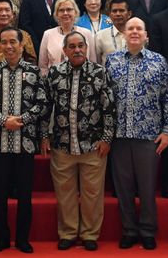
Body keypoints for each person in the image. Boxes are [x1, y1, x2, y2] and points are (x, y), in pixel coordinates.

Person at [105, 17, 168, 250]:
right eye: (130, 29)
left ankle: (147, 230)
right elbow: (104, 100)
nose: (134, 32)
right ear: (124, 34)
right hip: (119, 135)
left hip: (149, 136)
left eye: (139, 29)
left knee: (147, 188)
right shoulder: (111, 61)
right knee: (123, 188)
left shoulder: (158, 62)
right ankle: (128, 230)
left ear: (146, 35)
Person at [42, 31, 115, 251]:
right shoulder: (54, 74)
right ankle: (68, 232)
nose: (77, 50)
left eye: (80, 46)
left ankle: (90, 234)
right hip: (62, 144)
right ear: (64, 51)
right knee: (65, 194)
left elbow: (109, 108)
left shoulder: (99, 73)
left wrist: (106, 138)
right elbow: (46, 108)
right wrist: (44, 135)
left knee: (93, 193)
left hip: (93, 145)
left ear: (86, 47)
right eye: (71, 46)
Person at [0, 27, 50, 254]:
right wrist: (4, 121)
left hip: (26, 142)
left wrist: (20, 120)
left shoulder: (34, 72)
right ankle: (1, 239)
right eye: (4, 42)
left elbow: (42, 104)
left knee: (24, 195)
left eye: (13, 42)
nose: (9, 46)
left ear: (22, 45)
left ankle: (23, 239)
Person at [39, 0, 96, 76]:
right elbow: (43, 66)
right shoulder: (48, 34)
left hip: (84, 81)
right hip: (55, 83)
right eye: (61, 10)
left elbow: (93, 63)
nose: (65, 13)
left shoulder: (87, 33)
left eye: (69, 9)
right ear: (56, 14)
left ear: (75, 12)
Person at [94, 0, 132, 65]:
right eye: (114, 11)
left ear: (129, 14)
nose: (118, 14)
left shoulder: (135, 35)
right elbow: (97, 63)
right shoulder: (100, 36)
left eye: (121, 10)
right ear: (109, 14)